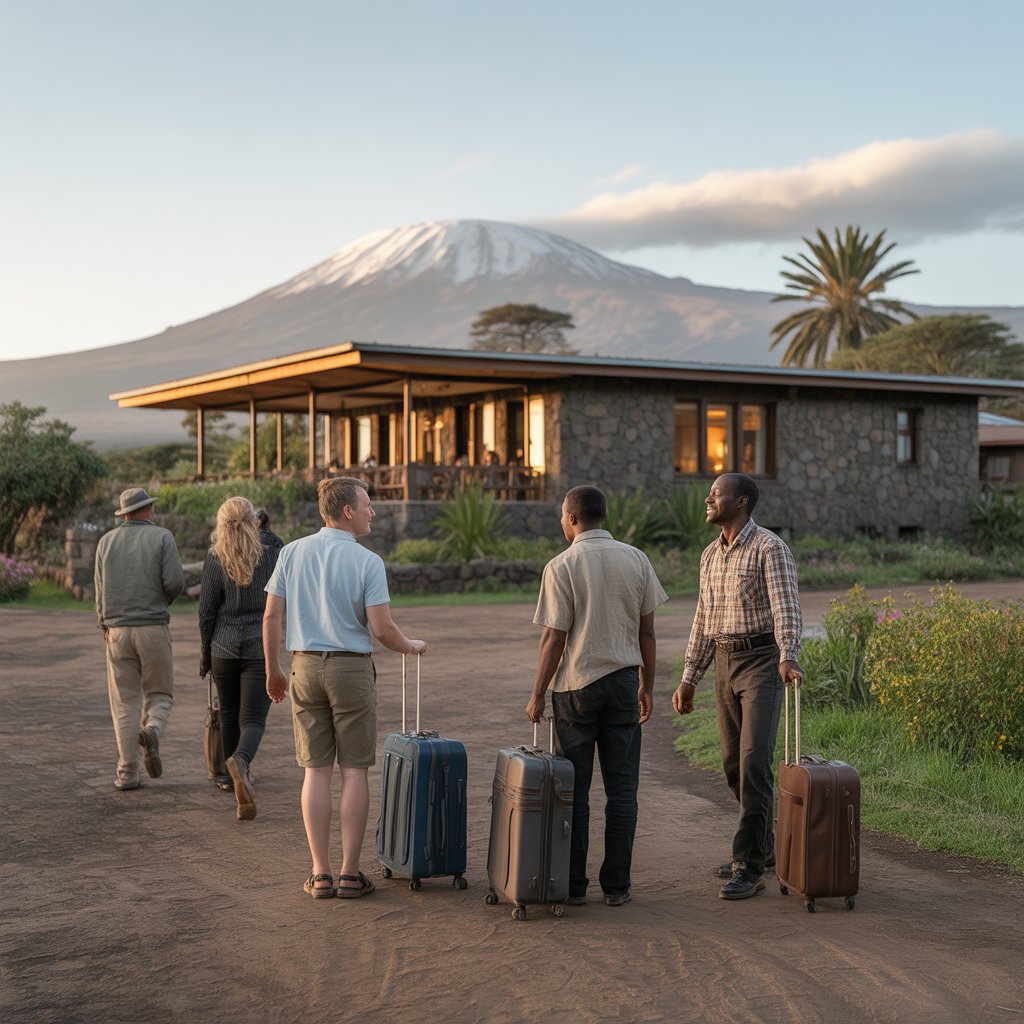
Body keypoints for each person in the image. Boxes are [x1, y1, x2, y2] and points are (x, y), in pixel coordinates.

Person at [263, 476, 427, 900]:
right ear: (348, 511)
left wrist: (273, 671)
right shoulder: (367, 561)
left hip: (303, 667)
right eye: (368, 504)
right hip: (351, 670)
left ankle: (320, 874)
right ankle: (351, 874)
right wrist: (411, 647)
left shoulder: (292, 552)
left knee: (315, 771)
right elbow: (382, 629)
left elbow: (271, 618)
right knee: (354, 770)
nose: (373, 511)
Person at [526, 484, 668, 907]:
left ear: (571, 519)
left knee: (576, 791)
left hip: (575, 688)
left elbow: (555, 637)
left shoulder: (562, 565)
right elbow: (648, 632)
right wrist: (647, 685)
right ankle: (617, 886)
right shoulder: (636, 558)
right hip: (624, 682)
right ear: (602, 516)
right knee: (623, 791)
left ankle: (573, 886)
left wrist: (536, 694)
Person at [672, 473, 803, 900]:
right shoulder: (711, 555)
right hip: (726, 662)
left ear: (741, 501)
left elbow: (786, 606)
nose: (708, 498)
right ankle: (763, 848)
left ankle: (748, 864)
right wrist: (691, 676)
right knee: (732, 764)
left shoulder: (770, 548)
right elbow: (703, 619)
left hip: (763, 662)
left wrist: (788, 655)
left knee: (753, 764)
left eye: (717, 493)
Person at [94, 486, 185, 791]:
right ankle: (153, 729)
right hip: (152, 627)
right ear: (147, 510)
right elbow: (175, 583)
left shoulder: (106, 541)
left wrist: (105, 624)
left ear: (124, 513)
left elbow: (99, 590)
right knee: (160, 694)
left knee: (124, 702)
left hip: (116, 630)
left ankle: (127, 773)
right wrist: (160, 602)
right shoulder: (162, 537)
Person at [198, 497, 284, 819]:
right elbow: (282, 548)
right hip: (259, 646)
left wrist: (205, 655)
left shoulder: (214, 558)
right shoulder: (271, 554)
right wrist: (266, 528)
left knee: (231, 714)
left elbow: (206, 614)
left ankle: (228, 776)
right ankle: (242, 762)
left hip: (224, 647)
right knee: (254, 720)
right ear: (254, 521)